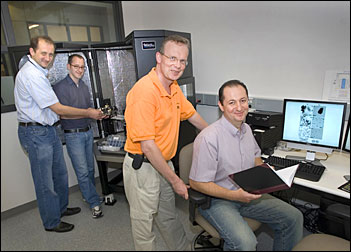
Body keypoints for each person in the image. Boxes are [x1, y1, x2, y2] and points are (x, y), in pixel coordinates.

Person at [189, 80, 304, 251]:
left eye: (243, 101)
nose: (239, 107)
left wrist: (266, 171)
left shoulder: (247, 129)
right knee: (245, 243)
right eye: (231, 102)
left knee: (294, 217)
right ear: (221, 105)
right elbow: (196, 183)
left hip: (248, 193)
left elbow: (256, 157)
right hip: (218, 200)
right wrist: (235, 196)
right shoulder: (209, 138)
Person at [123, 35, 208, 251]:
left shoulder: (174, 87)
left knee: (168, 217)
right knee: (144, 226)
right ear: (158, 57)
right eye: (172, 58)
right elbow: (148, 147)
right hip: (143, 168)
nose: (177, 65)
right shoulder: (144, 92)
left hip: (164, 164)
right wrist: (176, 181)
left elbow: (193, 117)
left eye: (182, 61)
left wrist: (217, 137)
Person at [14, 36, 105, 233]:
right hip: (36, 132)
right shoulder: (32, 75)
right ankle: (51, 221)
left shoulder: (42, 73)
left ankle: (61, 209)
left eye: (50, 54)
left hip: (49, 130)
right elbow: (60, 109)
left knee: (60, 175)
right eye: (43, 53)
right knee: (45, 181)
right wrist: (89, 113)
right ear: (32, 52)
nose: (47, 57)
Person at [53, 54, 103, 219]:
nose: (80, 70)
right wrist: (89, 113)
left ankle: (88, 195)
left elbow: (87, 109)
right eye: (76, 66)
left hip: (87, 132)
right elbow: (63, 115)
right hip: (73, 136)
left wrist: (97, 114)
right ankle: (94, 202)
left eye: (82, 67)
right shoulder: (60, 87)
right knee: (82, 171)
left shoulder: (84, 86)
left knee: (89, 168)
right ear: (68, 67)